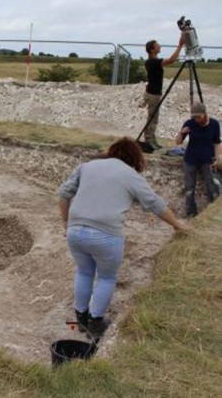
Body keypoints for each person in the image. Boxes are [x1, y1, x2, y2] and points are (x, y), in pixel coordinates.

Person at [58, 137, 189, 337]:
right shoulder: (130, 175)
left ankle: (81, 319)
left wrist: (66, 224)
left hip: (76, 231)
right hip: (106, 234)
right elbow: (155, 204)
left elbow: (63, 194)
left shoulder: (87, 166)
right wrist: (177, 225)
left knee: (84, 272)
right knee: (106, 277)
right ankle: (95, 323)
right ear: (135, 158)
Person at [175, 101, 221, 217]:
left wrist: (217, 158)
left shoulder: (214, 124)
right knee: (189, 188)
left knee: (213, 186)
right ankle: (191, 213)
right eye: (194, 117)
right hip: (191, 159)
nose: (197, 120)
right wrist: (182, 133)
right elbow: (178, 142)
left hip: (207, 160)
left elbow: (217, 143)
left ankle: (213, 213)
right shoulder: (190, 124)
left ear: (204, 114)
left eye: (198, 117)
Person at [143, 35, 184, 149]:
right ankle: (149, 140)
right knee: (152, 117)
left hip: (153, 93)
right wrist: (180, 45)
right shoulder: (153, 62)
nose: (160, 46)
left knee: (153, 117)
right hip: (153, 94)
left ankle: (151, 139)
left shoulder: (151, 61)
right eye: (157, 45)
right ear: (152, 49)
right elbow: (171, 60)